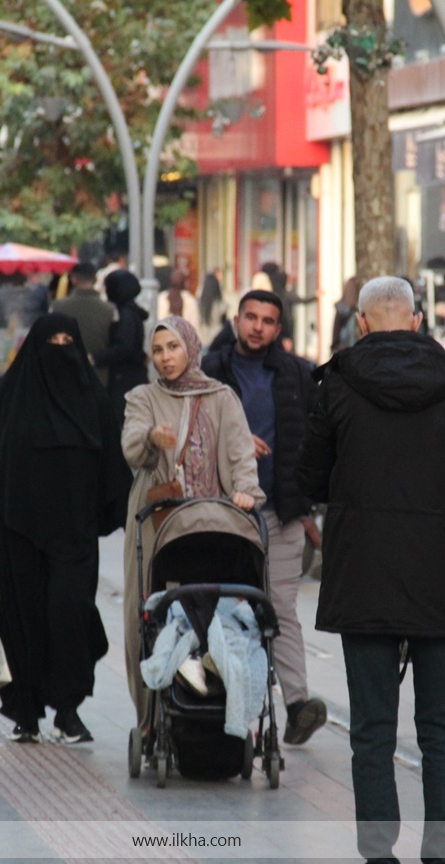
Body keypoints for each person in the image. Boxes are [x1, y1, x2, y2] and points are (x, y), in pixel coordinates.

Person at [297, 277, 445, 864]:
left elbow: (309, 476)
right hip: (443, 574)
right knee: (440, 733)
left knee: (371, 737)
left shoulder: (335, 384)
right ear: (416, 322)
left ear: (361, 324)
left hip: (365, 573)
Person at [0, 314, 131, 744]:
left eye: (69, 341)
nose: (61, 350)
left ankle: (68, 709)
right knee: (21, 621)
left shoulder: (93, 401)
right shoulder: (9, 400)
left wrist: (122, 511)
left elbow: (113, 468)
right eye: (52, 341)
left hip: (73, 534)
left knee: (69, 615)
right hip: (16, 530)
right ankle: (26, 711)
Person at [120, 316, 264, 728]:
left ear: (191, 348)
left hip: (217, 523)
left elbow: (240, 455)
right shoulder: (143, 397)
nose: (166, 358)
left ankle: (220, 702)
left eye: (174, 348)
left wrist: (246, 494)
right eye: (159, 350)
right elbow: (131, 446)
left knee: (218, 608)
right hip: (158, 522)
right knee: (147, 613)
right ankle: (150, 720)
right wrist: (151, 439)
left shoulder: (221, 397)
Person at [201, 289, 327, 745]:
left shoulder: (299, 374)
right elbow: (191, 428)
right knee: (221, 606)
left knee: (281, 609)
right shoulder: (209, 369)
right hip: (220, 511)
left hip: (281, 511)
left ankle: (297, 704)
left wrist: (311, 506)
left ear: (279, 328)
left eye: (268, 320)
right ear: (236, 320)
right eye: (250, 317)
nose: (257, 327)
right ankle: (220, 699)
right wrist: (234, 440)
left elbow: (318, 440)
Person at [98, 268, 150, 423]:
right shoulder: (132, 311)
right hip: (132, 375)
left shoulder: (125, 314)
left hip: (124, 379)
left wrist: (96, 358)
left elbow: (124, 347)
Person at [52, 262, 116, 386]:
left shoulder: (58, 307)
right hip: (98, 378)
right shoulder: (109, 310)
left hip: (65, 377)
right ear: (95, 279)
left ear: (73, 279)